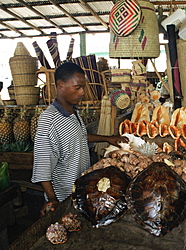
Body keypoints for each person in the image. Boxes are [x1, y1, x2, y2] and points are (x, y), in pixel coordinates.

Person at [31, 62, 127, 216]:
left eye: (83, 87)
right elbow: (43, 166)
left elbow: (79, 136)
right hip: (65, 198)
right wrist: (52, 199)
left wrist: (108, 139)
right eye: (78, 88)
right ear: (60, 85)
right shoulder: (49, 121)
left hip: (82, 191)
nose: (82, 92)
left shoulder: (73, 112)